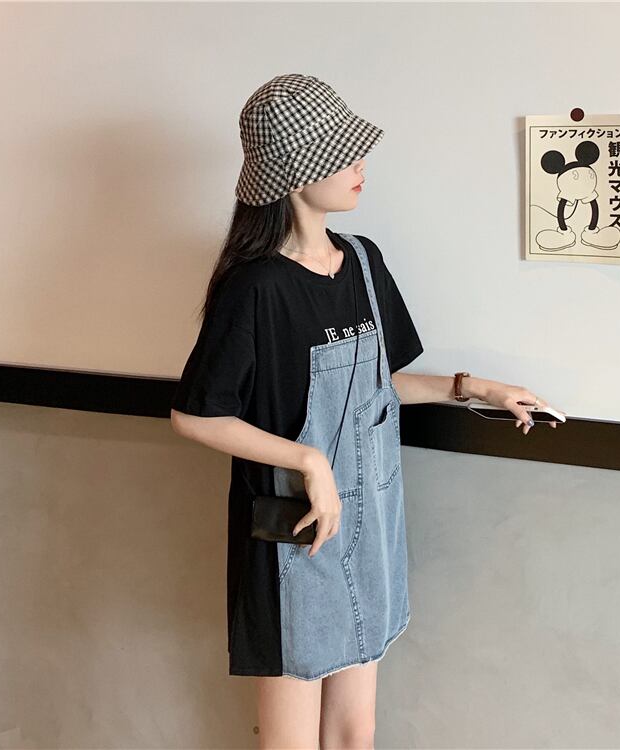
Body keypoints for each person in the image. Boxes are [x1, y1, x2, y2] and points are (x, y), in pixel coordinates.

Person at [170, 73, 562, 749]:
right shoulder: (256, 288)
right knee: (290, 741)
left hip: (370, 521)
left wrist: (477, 389)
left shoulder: (361, 262)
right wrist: (308, 460)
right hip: (297, 536)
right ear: (296, 174)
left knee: (357, 731)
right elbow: (196, 415)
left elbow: (380, 387)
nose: (360, 165)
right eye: (342, 154)